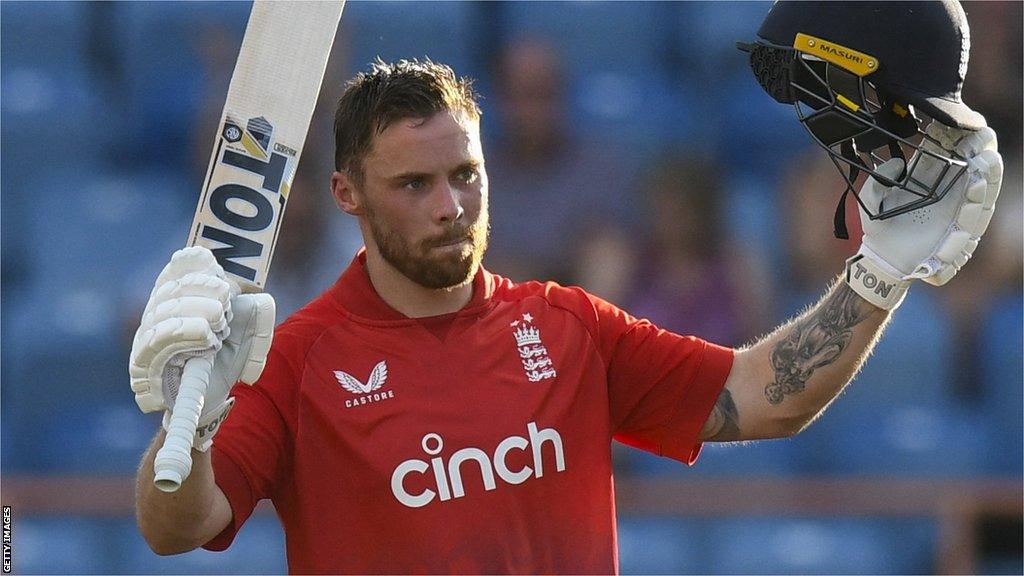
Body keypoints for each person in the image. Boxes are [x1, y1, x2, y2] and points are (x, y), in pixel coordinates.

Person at [128, 2, 1003, 573]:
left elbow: (761, 399)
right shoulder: (297, 358)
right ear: (347, 194)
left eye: (465, 174)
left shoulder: (564, 323)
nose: (452, 206)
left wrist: (880, 273)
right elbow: (175, 525)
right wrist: (190, 429)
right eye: (414, 185)